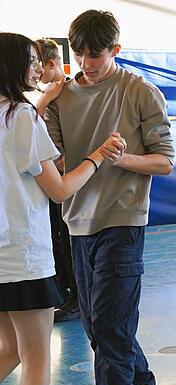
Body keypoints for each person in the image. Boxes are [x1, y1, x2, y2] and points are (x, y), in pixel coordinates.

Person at [45, 10, 176, 385]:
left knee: (112, 324)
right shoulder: (62, 98)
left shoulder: (140, 91)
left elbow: (165, 162)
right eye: (79, 54)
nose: (86, 63)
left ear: (115, 50)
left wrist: (123, 158)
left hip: (123, 219)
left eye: (95, 55)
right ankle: (141, 380)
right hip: (76, 222)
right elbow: (54, 159)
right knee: (94, 323)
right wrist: (44, 102)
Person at [0, 32, 124, 385]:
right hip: (22, 257)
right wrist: (98, 156)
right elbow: (59, 189)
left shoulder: (15, 113)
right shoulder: (22, 116)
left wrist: (45, 100)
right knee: (36, 357)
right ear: (12, 64)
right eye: (33, 59)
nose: (40, 66)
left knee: (8, 349)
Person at [34, 38, 80, 322]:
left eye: (38, 65)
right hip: (48, 182)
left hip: (66, 179)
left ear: (51, 64)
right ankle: (66, 294)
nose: (35, 71)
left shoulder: (70, 94)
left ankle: (75, 297)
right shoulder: (46, 97)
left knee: (67, 241)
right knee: (56, 240)